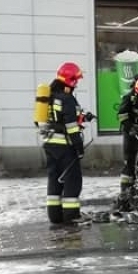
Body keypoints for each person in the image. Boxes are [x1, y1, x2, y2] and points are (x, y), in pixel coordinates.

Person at [43, 61, 87, 225]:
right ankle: (71, 216)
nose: (77, 83)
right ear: (71, 80)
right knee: (72, 179)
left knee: (54, 178)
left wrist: (83, 117)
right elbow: (71, 126)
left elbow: (56, 119)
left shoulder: (49, 96)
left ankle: (55, 216)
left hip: (50, 144)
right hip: (65, 145)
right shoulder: (67, 98)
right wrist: (79, 147)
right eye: (76, 79)